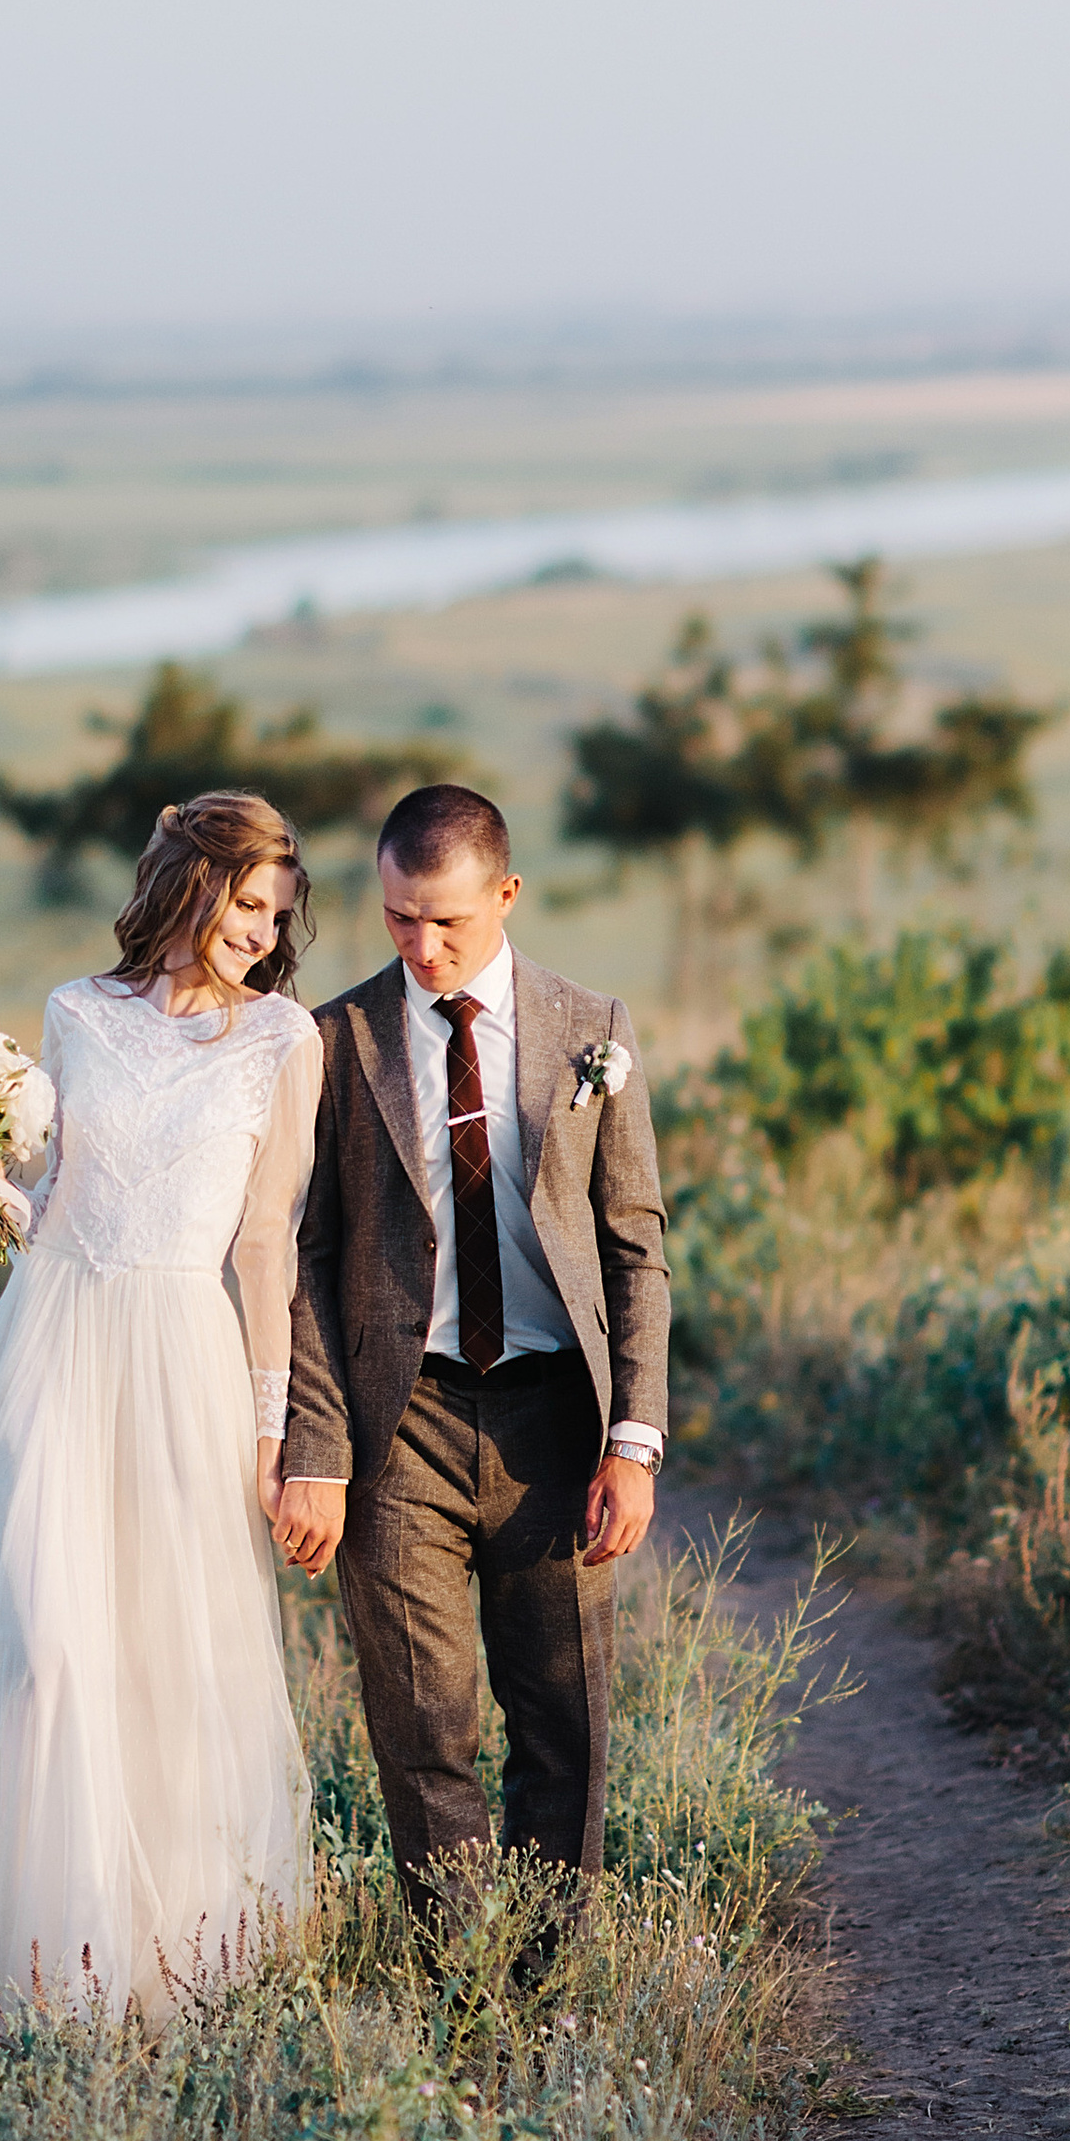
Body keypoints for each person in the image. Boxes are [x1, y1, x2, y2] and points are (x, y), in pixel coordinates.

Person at [0, 790, 323, 2054]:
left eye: (276, 915)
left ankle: (172, 1960)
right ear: (190, 883)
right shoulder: (76, 1012)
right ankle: (53, 1967)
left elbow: (265, 1244)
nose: (260, 932)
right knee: (43, 1645)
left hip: (185, 1358)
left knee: (166, 1651)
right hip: (51, 1339)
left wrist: (274, 1426)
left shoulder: (283, 1039)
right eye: (247, 903)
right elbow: (63, 1196)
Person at [274, 783, 670, 1923]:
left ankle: (546, 1975)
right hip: (402, 1423)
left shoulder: (590, 1029)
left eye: (446, 919)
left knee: (561, 1720)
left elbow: (635, 1247)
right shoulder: (336, 1039)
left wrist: (634, 1441)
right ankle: (462, 1984)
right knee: (421, 1726)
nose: (422, 945)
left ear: (507, 894)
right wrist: (320, 1447)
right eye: (399, 917)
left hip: (556, 1424)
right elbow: (306, 1257)